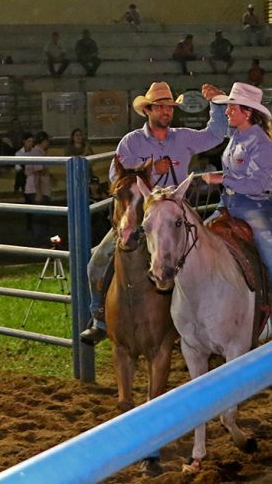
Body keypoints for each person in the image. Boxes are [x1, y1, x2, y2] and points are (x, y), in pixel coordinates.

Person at [80, 80, 227, 344]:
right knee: (96, 265)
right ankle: (100, 319)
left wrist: (217, 105)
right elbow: (116, 176)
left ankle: (208, 320)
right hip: (140, 214)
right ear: (147, 110)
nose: (166, 112)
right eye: (159, 107)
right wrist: (147, 169)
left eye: (169, 107)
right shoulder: (132, 142)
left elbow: (215, 135)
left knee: (207, 259)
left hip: (174, 213)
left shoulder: (183, 137)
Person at [201, 82, 272, 335]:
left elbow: (257, 184)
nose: (228, 111)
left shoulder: (263, 145)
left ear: (248, 113)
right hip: (230, 202)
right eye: (228, 106)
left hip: (256, 205)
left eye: (232, 108)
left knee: (271, 249)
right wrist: (216, 100)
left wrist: (221, 179)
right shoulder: (238, 136)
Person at [24, 131, 52, 245]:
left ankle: (39, 241)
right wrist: (39, 192)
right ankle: (40, 243)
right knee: (40, 218)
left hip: (35, 189)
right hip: (38, 190)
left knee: (40, 217)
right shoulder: (37, 153)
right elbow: (37, 174)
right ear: (44, 141)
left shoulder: (35, 152)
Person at [13, 132, 35, 200]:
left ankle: (16, 189)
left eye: (32, 141)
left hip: (34, 172)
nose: (31, 143)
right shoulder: (19, 153)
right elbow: (17, 167)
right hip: (24, 173)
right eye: (29, 141)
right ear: (24, 141)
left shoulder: (35, 152)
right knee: (21, 174)